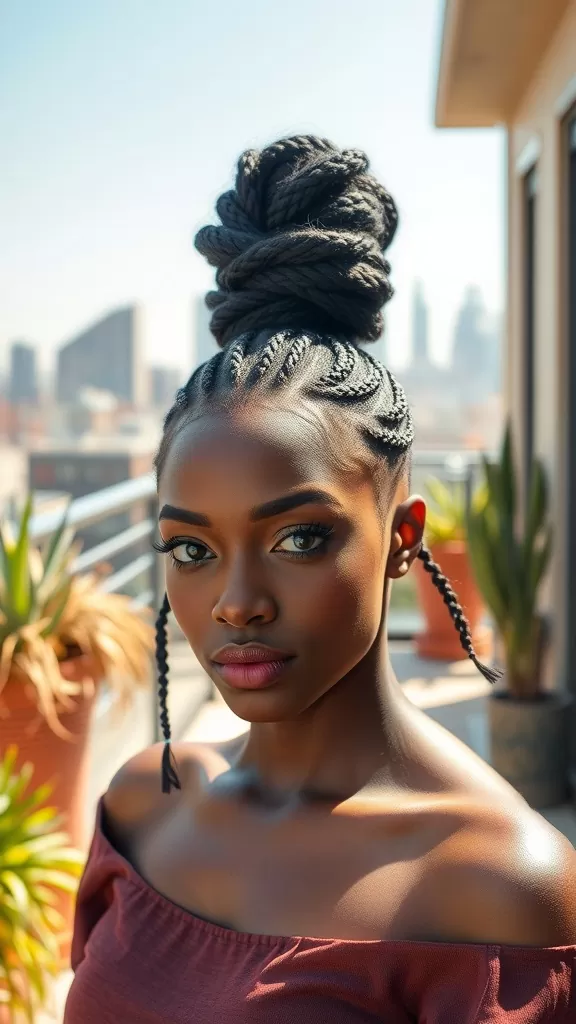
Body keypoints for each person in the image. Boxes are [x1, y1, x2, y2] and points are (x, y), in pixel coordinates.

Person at [64, 136, 576, 1023]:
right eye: (192, 549)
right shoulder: (143, 807)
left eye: (298, 537)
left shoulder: (497, 890)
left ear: (403, 539)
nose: (234, 601)